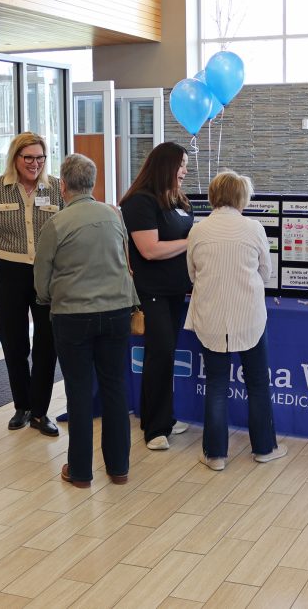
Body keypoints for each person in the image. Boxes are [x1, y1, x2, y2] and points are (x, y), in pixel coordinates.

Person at [33, 153, 138, 487]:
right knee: (114, 388)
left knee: (78, 392)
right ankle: (119, 467)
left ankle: (79, 471)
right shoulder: (113, 216)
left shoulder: (56, 224)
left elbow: (41, 280)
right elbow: (124, 259)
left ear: (62, 185)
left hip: (73, 315)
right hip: (118, 311)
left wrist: (49, 298)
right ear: (92, 183)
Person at [185, 170, 284, 470]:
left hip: (210, 317)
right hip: (249, 317)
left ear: (214, 196)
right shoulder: (253, 229)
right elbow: (266, 273)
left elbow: (192, 274)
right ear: (241, 197)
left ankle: (215, 455)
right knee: (257, 383)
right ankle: (264, 448)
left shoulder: (197, 231)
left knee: (215, 383)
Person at [0, 132, 63, 435]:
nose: (35, 163)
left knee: (46, 343)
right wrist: (10, 251)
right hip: (10, 272)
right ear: (15, 158)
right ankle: (22, 406)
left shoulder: (55, 189)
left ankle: (40, 412)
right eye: (28, 157)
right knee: (14, 343)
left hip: (47, 272)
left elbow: (64, 226)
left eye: (40, 157)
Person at [120, 142, 194, 451]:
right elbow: (149, 250)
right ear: (165, 166)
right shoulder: (140, 202)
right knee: (159, 355)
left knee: (164, 355)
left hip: (176, 290)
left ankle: (161, 416)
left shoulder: (176, 199)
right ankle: (155, 428)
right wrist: (191, 241)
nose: (185, 171)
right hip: (152, 293)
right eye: (181, 165)